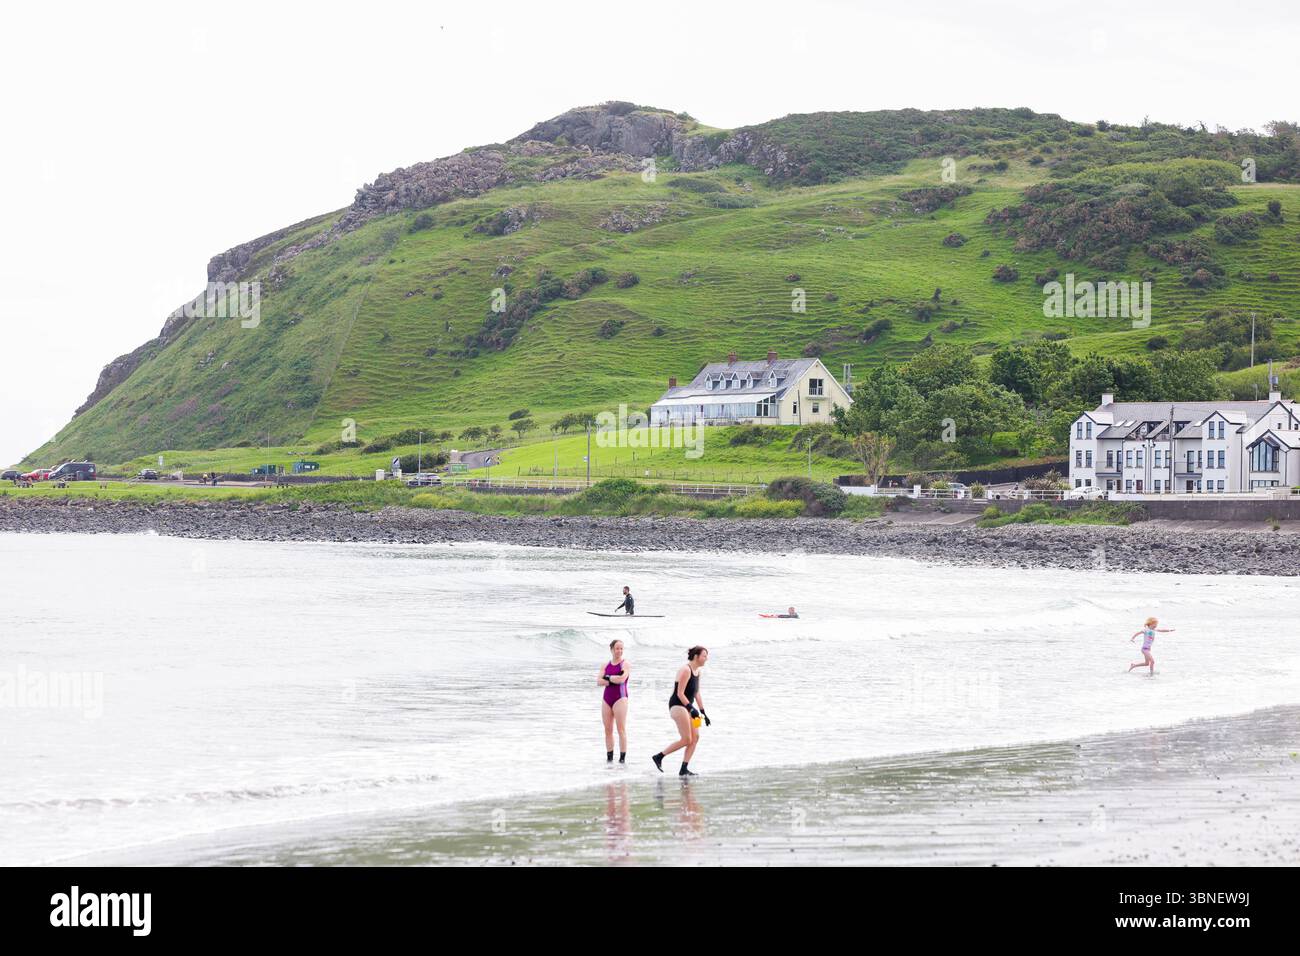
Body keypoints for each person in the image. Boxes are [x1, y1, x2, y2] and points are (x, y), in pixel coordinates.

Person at [652, 646, 709, 776]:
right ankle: (659, 756)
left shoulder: (698, 672)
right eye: (704, 656)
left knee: (696, 737)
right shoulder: (685, 670)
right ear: (696, 657)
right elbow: (680, 693)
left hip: (691, 708)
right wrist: (691, 708)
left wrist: (703, 711)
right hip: (678, 706)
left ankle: (684, 769)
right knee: (687, 739)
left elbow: (697, 693)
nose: (706, 659)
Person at [599, 640, 630, 764]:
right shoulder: (605, 665)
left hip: (620, 698)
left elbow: (622, 679)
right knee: (607, 730)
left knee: (621, 729)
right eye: (617, 648)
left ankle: (622, 760)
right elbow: (598, 681)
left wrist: (607, 678)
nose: (620, 651)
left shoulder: (625, 664)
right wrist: (613, 679)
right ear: (611, 649)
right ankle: (609, 759)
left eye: (621, 648)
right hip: (607, 699)